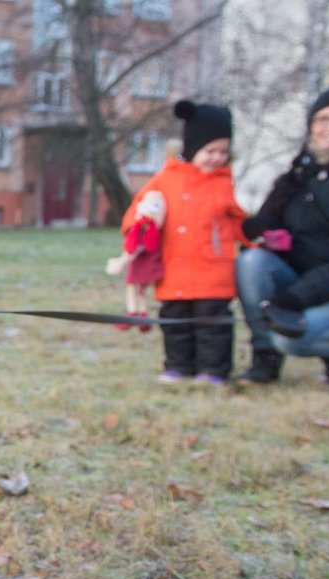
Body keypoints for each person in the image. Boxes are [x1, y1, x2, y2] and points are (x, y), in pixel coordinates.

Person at [236, 86, 329, 384]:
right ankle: (265, 359)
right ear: (312, 127)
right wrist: (259, 230)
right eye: (323, 119)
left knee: (292, 338)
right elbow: (265, 220)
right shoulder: (297, 175)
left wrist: (293, 299)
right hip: (299, 288)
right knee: (251, 262)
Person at [120, 99, 248, 385]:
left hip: (213, 269)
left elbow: (240, 221)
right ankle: (178, 366)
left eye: (223, 152)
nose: (216, 158)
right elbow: (138, 211)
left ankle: (213, 371)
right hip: (173, 267)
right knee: (175, 321)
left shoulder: (224, 183)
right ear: (192, 148)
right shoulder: (164, 180)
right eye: (209, 151)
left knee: (212, 323)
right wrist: (137, 228)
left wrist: (256, 235)